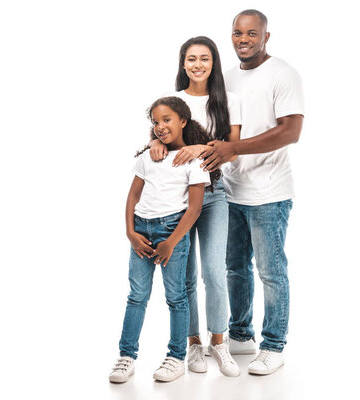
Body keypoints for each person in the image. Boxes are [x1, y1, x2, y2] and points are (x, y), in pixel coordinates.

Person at [200, 9, 304, 375]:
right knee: (235, 269)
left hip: (270, 194)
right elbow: (219, 131)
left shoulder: (283, 74)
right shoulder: (226, 80)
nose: (243, 39)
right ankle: (241, 336)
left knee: (271, 272)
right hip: (231, 192)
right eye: (237, 33)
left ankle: (273, 345)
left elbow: (291, 131)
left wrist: (234, 150)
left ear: (266, 36)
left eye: (251, 33)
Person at [149, 36, 241, 377]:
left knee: (214, 271)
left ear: (213, 63)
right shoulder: (175, 101)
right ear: (183, 63)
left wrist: (201, 148)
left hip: (214, 193)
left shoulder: (228, 100)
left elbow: (231, 147)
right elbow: (161, 132)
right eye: (191, 59)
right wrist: (154, 142)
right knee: (185, 275)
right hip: (176, 198)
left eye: (204, 58)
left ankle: (220, 342)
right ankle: (193, 344)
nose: (197, 64)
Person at [109, 96, 214, 384]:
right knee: (137, 296)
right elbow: (132, 196)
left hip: (173, 233)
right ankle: (126, 356)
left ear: (183, 121)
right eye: (155, 121)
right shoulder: (148, 156)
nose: (160, 126)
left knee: (176, 297)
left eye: (167, 119)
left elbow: (193, 209)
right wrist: (131, 233)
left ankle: (176, 357)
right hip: (142, 231)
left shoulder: (194, 161)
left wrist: (171, 242)